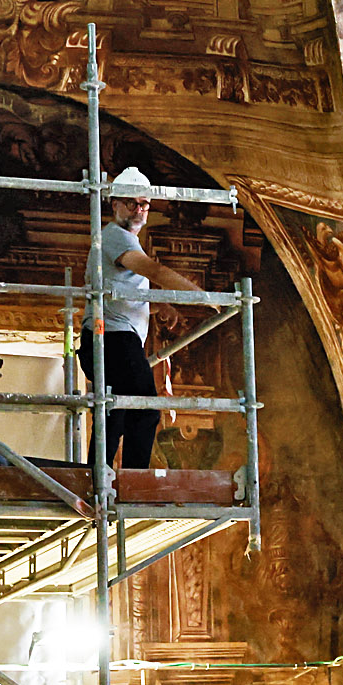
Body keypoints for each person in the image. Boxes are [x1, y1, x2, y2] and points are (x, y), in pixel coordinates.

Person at [83, 166, 205, 470]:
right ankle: (135, 480)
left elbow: (123, 297)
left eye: (145, 204)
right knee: (145, 410)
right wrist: (204, 297)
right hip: (113, 339)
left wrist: (159, 306)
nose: (139, 210)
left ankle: (97, 475)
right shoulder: (115, 237)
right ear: (115, 205)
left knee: (115, 411)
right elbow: (155, 271)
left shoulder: (118, 239)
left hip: (106, 338)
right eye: (132, 203)